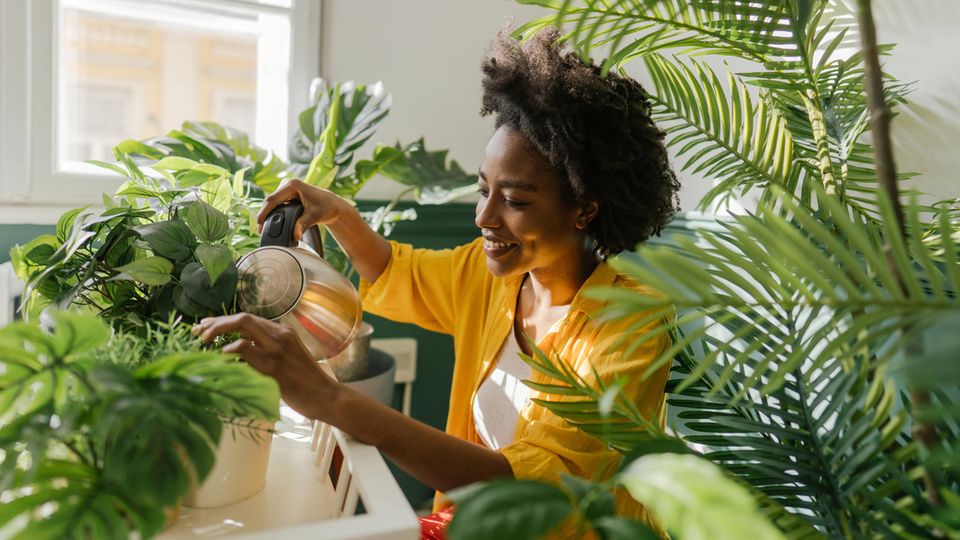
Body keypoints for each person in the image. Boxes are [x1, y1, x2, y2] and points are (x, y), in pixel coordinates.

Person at [195, 27, 680, 537]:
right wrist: (338, 213)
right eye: (482, 190)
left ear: (585, 209)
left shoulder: (631, 325)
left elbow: (530, 493)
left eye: (514, 201)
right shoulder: (493, 277)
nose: (484, 217)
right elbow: (395, 271)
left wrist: (331, 399)